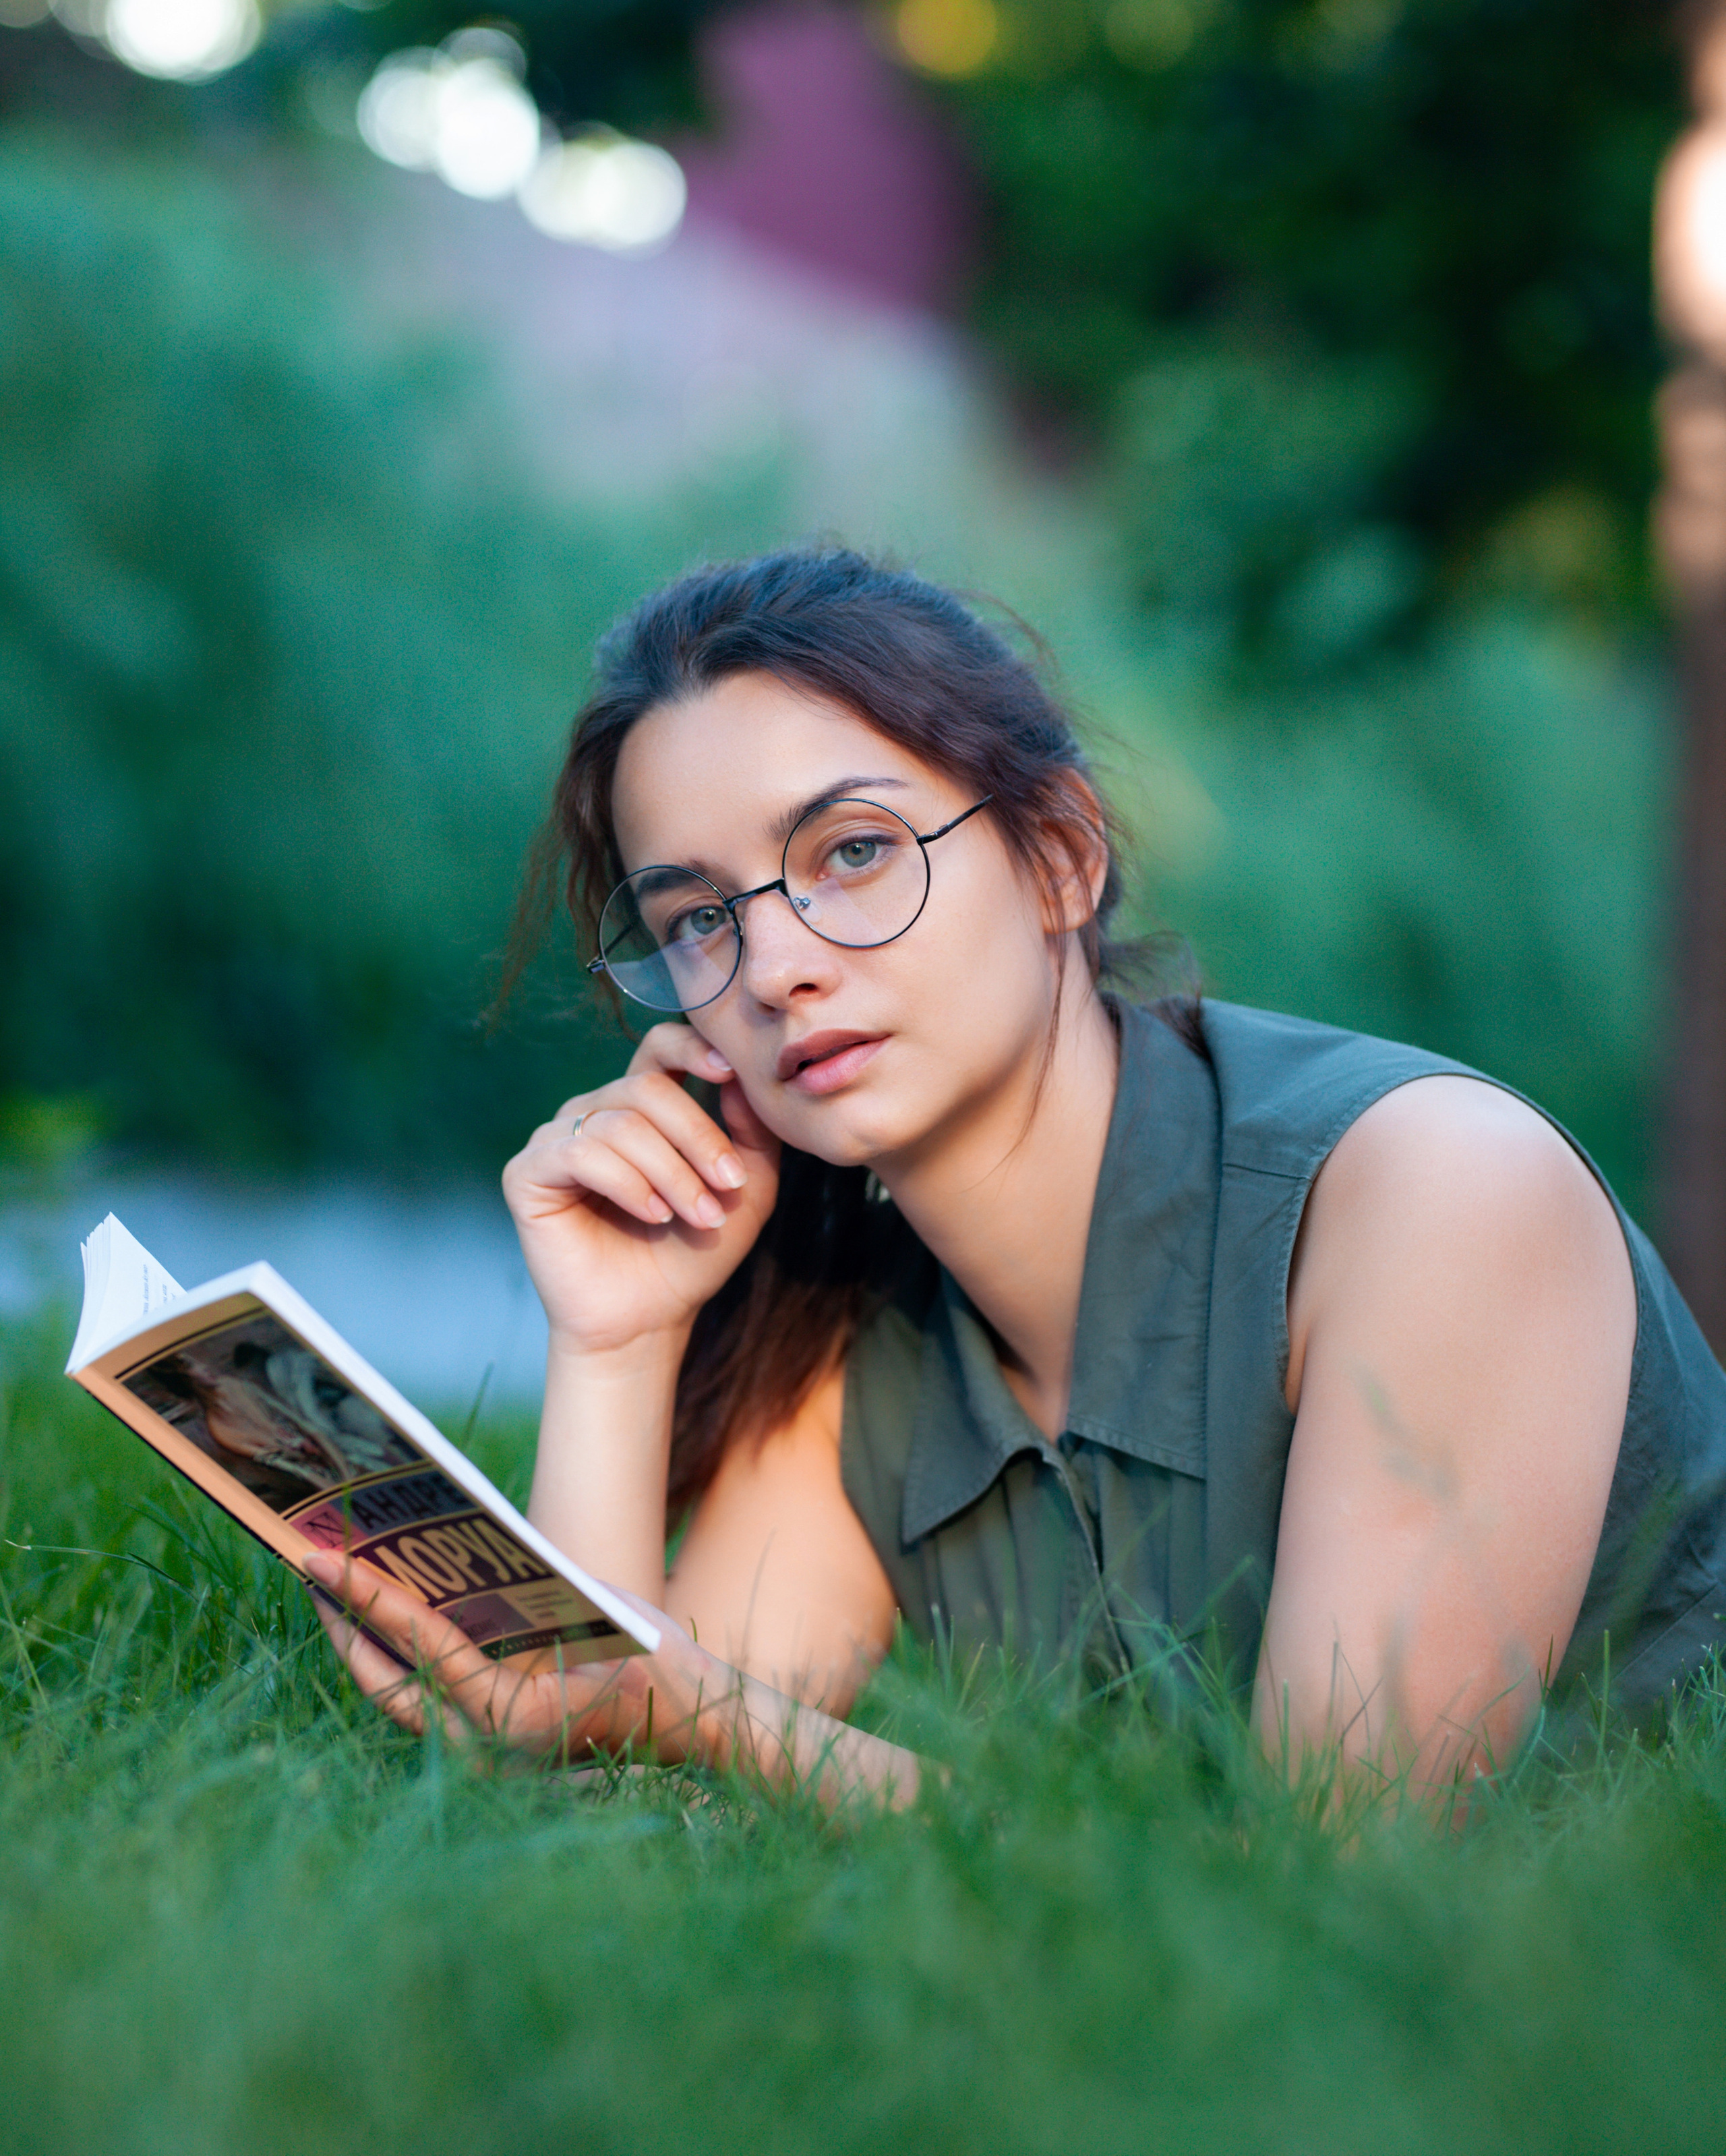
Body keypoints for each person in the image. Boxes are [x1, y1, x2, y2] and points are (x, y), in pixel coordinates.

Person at [311, 546, 1726, 1811]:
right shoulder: (859, 1337)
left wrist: (700, 1707)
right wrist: (617, 1340)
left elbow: (1329, 1888)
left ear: (1058, 852)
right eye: (698, 919)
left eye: (851, 853)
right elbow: (626, 1797)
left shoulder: (1434, 1194)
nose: (780, 963)